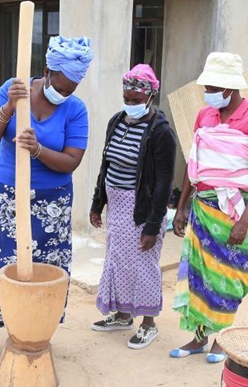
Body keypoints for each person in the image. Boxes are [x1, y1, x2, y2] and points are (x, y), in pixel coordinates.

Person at [0, 36, 93, 360]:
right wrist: (9, 107)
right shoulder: (14, 88)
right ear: (48, 71)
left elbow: (72, 161)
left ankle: (34, 329)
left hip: (52, 202)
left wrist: (38, 150)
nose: (64, 94)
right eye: (60, 86)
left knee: (44, 268)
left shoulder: (75, 110)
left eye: (70, 90)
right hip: (7, 193)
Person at [170, 52, 248, 363]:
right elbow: (194, 162)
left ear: (230, 88)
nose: (208, 92)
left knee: (228, 274)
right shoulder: (205, 116)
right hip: (203, 207)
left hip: (234, 209)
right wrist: (181, 205)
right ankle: (199, 338)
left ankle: (221, 339)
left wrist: (244, 219)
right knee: (200, 274)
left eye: (213, 87)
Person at [89, 64, 177, 349]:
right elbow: (106, 164)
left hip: (142, 208)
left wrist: (153, 225)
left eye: (136, 101)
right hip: (116, 205)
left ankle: (148, 324)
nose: (130, 105)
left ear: (150, 96)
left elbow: (163, 182)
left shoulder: (160, 131)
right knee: (116, 259)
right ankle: (123, 315)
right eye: (127, 99)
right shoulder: (116, 121)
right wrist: (97, 203)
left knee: (143, 263)